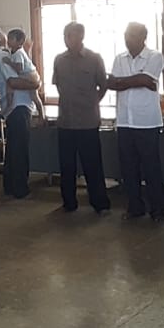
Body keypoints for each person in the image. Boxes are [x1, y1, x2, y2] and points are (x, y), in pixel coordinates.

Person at [107, 21, 164, 222]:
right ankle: (135, 208)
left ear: (143, 37)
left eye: (131, 35)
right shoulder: (119, 58)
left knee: (151, 168)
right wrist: (138, 80)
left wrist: (126, 81)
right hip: (124, 122)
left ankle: (158, 210)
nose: (127, 39)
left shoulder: (155, 56)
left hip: (146, 122)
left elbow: (146, 80)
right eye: (126, 35)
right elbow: (114, 84)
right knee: (128, 169)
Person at [51, 22, 110, 214]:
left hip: (87, 122)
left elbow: (103, 86)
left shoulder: (94, 58)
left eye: (72, 35)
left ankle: (99, 203)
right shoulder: (59, 60)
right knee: (67, 166)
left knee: (92, 165)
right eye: (66, 36)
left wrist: (92, 102)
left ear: (81, 37)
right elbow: (58, 84)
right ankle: (69, 202)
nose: (68, 39)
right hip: (66, 122)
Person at [0, 24, 38, 200]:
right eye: (4, 34)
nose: (7, 37)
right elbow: (13, 81)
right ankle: (19, 188)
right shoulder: (3, 56)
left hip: (13, 106)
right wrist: (35, 83)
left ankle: (10, 185)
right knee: (19, 149)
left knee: (14, 148)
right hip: (18, 105)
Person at [1, 29, 46, 120]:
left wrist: (9, 62)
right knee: (10, 86)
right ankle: (9, 104)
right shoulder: (15, 51)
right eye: (8, 38)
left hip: (30, 75)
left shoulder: (19, 53)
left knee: (34, 96)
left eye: (11, 39)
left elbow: (19, 68)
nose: (8, 41)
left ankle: (41, 115)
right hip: (27, 74)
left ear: (20, 42)